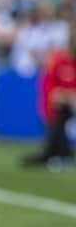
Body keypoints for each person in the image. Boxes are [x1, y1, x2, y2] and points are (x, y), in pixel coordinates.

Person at [22, 21, 76, 169]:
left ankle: (59, 153)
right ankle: (58, 152)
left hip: (70, 103)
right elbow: (49, 88)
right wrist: (64, 96)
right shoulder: (59, 59)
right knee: (56, 116)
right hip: (61, 105)